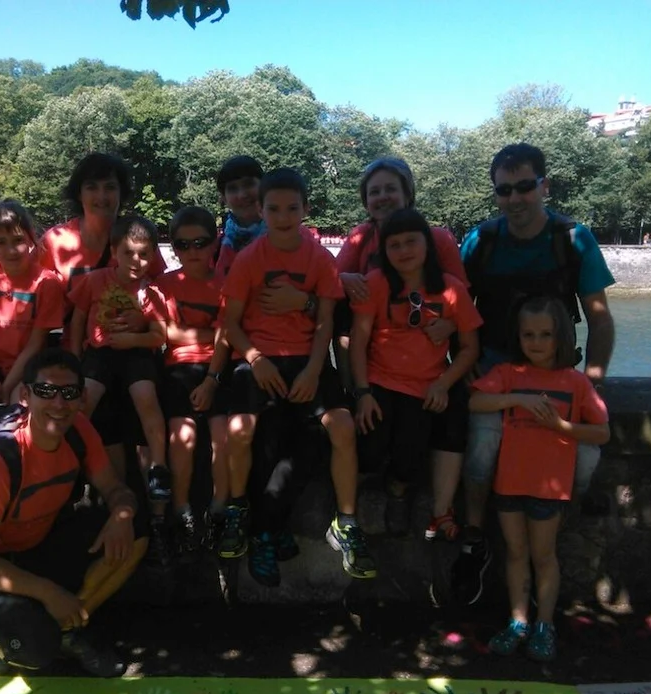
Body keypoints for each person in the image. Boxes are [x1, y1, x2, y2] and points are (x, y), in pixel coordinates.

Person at [449, 143, 616, 607]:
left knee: (585, 462)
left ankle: (550, 533)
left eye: (524, 186)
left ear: (544, 186)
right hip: (494, 372)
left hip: (557, 377)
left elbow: (599, 317)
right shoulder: (481, 240)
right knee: (481, 450)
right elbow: (457, 310)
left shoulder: (573, 239)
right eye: (504, 190)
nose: (515, 198)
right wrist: (461, 362)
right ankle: (475, 539)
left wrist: (593, 379)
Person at [219, 167, 375, 585]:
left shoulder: (319, 258)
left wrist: (313, 369)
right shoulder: (249, 259)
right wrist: (255, 359)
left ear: (306, 208)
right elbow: (230, 324)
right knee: (240, 429)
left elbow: (325, 323)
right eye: (274, 209)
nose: (283, 217)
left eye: (292, 208)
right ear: (261, 210)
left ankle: (346, 522)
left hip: (307, 359)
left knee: (341, 426)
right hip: (260, 359)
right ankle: (238, 507)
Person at [0, 347, 147, 677]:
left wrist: (123, 514)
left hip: (39, 543)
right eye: (45, 391)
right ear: (25, 396)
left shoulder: (79, 431)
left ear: (82, 398)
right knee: (34, 650)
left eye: (69, 393)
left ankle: (68, 628)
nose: (59, 404)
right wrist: (48, 592)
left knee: (138, 531)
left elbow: (115, 489)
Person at [335, 157, 471, 543]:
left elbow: (460, 297)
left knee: (421, 431)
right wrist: (344, 276)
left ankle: (409, 493)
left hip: (425, 361)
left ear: (407, 193)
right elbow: (327, 279)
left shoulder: (436, 237)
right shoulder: (361, 238)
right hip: (373, 356)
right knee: (373, 431)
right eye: (374, 191)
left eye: (390, 189)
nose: (382, 197)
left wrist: (451, 325)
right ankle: (352, 397)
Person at [471, 297, 609, 661]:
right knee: (516, 553)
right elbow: (476, 402)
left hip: (550, 487)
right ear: (518, 337)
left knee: (543, 556)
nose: (536, 342)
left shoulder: (576, 382)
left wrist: (560, 426)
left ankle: (544, 624)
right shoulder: (508, 373)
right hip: (509, 483)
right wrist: (515, 398)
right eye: (528, 334)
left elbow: (602, 432)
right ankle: (518, 620)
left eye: (545, 334)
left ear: (560, 336)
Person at [40, 153, 166, 485]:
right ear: (78, 193)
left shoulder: (137, 240)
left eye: (110, 187)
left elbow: (159, 300)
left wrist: (142, 322)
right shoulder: (55, 242)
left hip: (135, 354)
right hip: (82, 354)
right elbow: (40, 308)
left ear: (122, 193)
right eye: (92, 186)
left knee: (142, 406)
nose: (101, 195)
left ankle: (147, 490)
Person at [67, 215, 172, 542]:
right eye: (128, 252)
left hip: (137, 354)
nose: (136, 261)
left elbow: (160, 335)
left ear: (153, 255)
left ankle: (158, 467)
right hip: (99, 354)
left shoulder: (151, 292)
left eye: (144, 254)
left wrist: (134, 338)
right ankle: (65, 459)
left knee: (146, 398)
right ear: (114, 251)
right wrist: (73, 359)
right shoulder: (95, 280)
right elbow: (78, 319)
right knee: (85, 400)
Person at [155, 206, 230, 555]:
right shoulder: (166, 284)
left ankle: (219, 509)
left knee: (223, 437)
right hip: (178, 370)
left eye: (200, 242)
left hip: (216, 368)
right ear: (173, 248)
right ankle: (182, 509)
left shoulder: (226, 284)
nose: (192, 251)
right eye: (183, 245)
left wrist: (212, 379)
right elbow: (165, 334)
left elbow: (227, 338)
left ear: (214, 243)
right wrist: (212, 334)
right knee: (181, 437)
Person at [0, 200, 65, 410]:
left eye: (18, 240)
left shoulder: (46, 282)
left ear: (31, 239)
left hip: (27, 367)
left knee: (19, 413)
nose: (11, 250)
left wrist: (6, 387)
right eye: (1, 242)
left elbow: (36, 343)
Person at [214, 155, 266, 278]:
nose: (242, 195)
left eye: (249, 184)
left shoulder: (291, 238)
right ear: (224, 198)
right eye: (232, 188)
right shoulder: (215, 249)